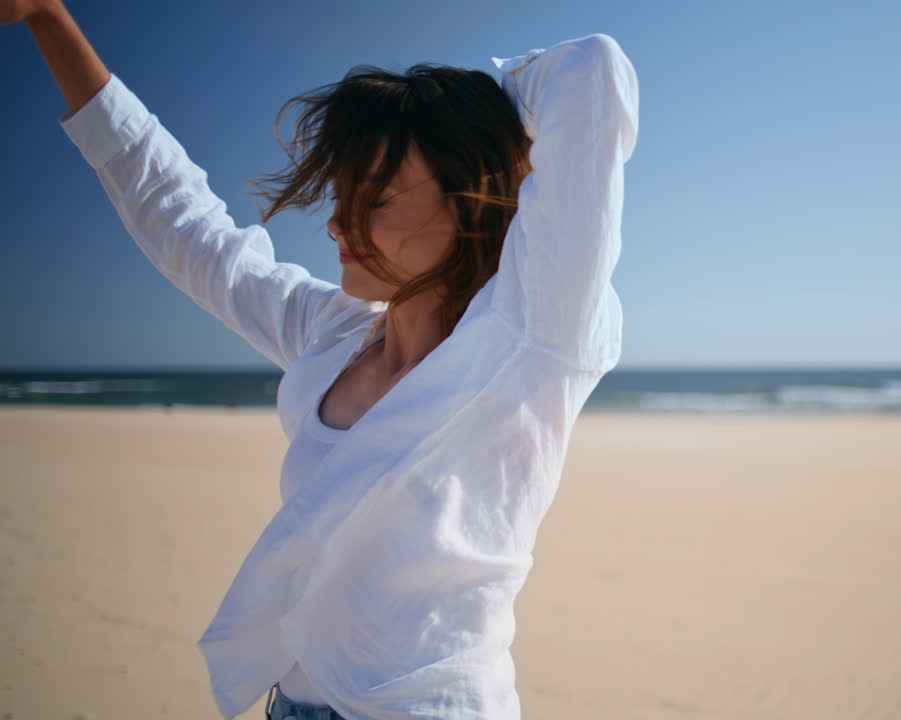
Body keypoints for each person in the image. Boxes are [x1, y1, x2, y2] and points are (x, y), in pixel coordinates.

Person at [7, 2, 638, 718]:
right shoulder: (334, 335)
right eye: (340, 197)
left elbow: (592, 72)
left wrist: (471, 111)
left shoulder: (530, 341)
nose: (337, 224)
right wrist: (49, 19)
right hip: (293, 705)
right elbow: (185, 223)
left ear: (469, 200)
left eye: (377, 200)